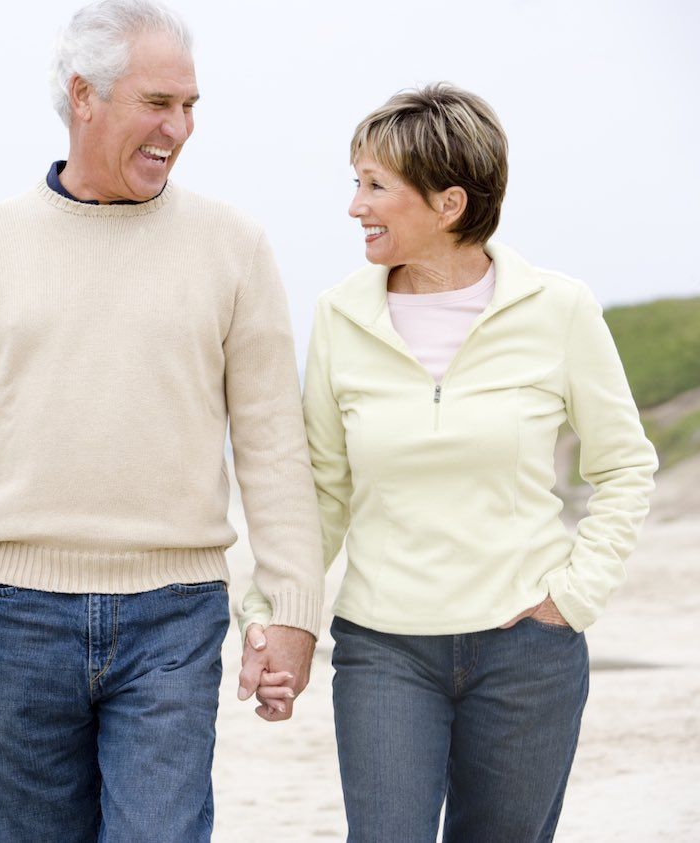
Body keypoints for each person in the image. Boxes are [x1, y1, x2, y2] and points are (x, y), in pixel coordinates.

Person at [0, 1, 323, 839]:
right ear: (83, 95)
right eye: (157, 103)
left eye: (189, 107)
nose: (177, 128)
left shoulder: (234, 246)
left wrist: (290, 606)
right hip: (14, 616)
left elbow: (271, 442)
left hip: (175, 615)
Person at [239, 83, 657, 841]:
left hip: (527, 650)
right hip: (383, 649)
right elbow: (322, 492)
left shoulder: (558, 310)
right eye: (353, 182)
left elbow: (625, 466)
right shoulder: (340, 316)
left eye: (374, 186)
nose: (354, 206)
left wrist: (571, 596)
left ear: (448, 204)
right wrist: (272, 614)